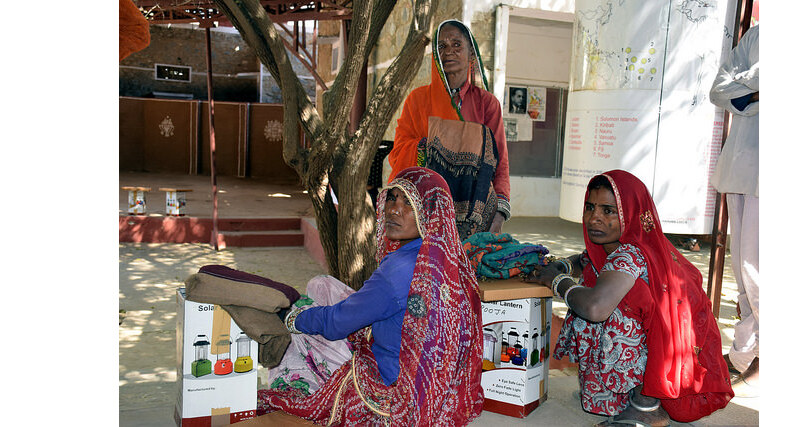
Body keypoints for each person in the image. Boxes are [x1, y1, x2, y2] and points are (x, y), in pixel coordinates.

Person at [258, 167, 485, 425]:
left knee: (302, 334)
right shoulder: (450, 258)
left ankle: (299, 377)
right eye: (392, 198)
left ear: (431, 212)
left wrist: (294, 319)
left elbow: (334, 325)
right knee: (321, 285)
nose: (394, 210)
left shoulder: (398, 271)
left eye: (409, 203)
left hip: (393, 387)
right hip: (439, 386)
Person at [526, 170, 733, 426]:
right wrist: (561, 267)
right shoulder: (623, 245)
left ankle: (646, 406)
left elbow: (595, 308)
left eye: (608, 211)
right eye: (590, 208)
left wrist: (556, 282)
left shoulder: (630, 255)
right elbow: (584, 260)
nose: (594, 218)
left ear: (632, 213)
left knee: (595, 303)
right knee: (590, 283)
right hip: (663, 345)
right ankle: (615, 394)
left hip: (662, 351)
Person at [389, 19, 511, 239]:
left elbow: (499, 161)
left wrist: (500, 213)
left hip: (475, 218)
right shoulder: (417, 100)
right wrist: (431, 147)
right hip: (423, 216)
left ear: (472, 54)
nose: (449, 52)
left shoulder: (487, 104)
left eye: (457, 45)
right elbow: (399, 153)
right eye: (442, 47)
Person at [709, 24, 759, 395]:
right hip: (738, 168)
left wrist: (747, 89)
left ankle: (754, 355)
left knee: (759, 273)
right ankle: (746, 354)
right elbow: (719, 90)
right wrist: (754, 91)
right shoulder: (757, 36)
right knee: (742, 273)